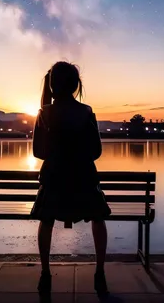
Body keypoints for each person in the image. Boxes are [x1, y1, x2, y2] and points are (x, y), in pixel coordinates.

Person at [31, 61, 111, 295]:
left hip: (54, 181)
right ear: (76, 85)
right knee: (98, 217)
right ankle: (100, 272)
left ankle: (45, 272)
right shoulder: (86, 112)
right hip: (84, 182)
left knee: (46, 220)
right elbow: (95, 152)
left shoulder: (44, 113)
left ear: (53, 84)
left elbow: (38, 153)